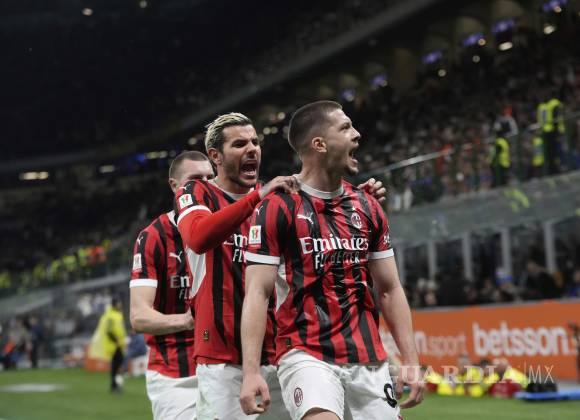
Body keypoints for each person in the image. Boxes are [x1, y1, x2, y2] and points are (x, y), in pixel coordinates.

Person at [174, 112, 387, 419]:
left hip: (282, 353)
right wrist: (256, 197)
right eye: (239, 144)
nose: (252, 149)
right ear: (215, 156)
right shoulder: (197, 192)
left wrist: (356, 199)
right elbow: (198, 237)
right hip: (223, 359)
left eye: (255, 142)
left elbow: (322, 217)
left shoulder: (277, 198)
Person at [240, 100, 423, 420]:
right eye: (345, 127)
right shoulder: (278, 207)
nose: (357, 134)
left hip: (369, 359)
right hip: (306, 355)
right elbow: (257, 293)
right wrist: (251, 371)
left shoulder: (367, 205)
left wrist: (410, 360)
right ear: (319, 144)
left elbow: (390, 289)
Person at [129, 151, 214, 419]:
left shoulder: (228, 226)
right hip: (177, 376)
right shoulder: (154, 237)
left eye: (210, 178)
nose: (205, 186)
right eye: (195, 179)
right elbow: (139, 316)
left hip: (227, 367)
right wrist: (188, 320)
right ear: (175, 186)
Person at [93, 296, 127, 392]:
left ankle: (116, 384)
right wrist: (116, 340)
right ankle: (114, 385)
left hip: (119, 344)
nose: (120, 304)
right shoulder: (110, 316)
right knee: (116, 365)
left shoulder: (118, 314)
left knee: (118, 364)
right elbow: (108, 330)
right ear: (114, 304)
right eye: (118, 303)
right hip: (114, 345)